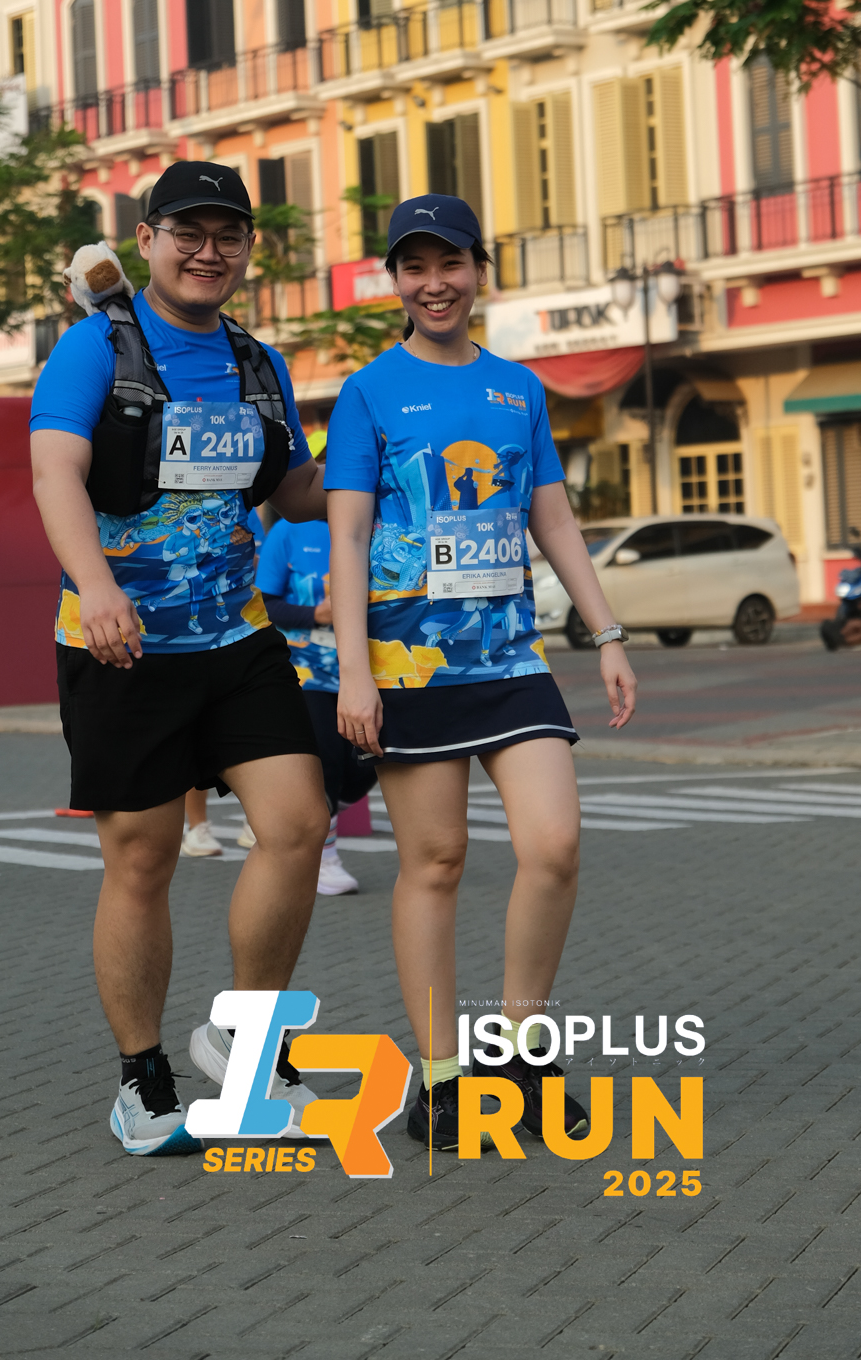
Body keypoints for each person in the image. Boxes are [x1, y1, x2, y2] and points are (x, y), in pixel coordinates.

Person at [30, 160, 331, 1156]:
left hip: (238, 639)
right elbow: (55, 473)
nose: (208, 253)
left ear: (247, 248)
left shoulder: (257, 361)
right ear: (148, 240)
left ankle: (244, 1046)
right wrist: (96, 585)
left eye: (227, 236)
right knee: (143, 859)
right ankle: (142, 1080)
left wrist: (375, 465)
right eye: (187, 234)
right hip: (121, 646)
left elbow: (291, 491)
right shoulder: (94, 348)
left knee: (298, 825)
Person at [325, 195, 638, 1153]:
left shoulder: (518, 389)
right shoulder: (368, 393)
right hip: (411, 664)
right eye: (415, 267)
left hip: (508, 656)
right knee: (436, 862)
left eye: (451, 264)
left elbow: (553, 519)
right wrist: (353, 674)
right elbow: (348, 538)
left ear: (478, 270)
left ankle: (522, 1054)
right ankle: (443, 1078)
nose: (436, 284)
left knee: (555, 845)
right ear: (395, 280)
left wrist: (607, 631)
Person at [256, 446, 378, 896]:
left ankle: (313, 820)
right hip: (306, 673)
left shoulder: (378, 526)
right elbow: (265, 604)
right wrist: (316, 616)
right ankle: (324, 858)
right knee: (325, 763)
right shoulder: (288, 532)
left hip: (367, 672)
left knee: (365, 768)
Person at [181, 508, 266, 858]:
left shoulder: (241, 507)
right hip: (182, 641)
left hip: (239, 633)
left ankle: (254, 820)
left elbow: (258, 560)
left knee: (250, 738)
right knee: (191, 739)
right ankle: (197, 827)